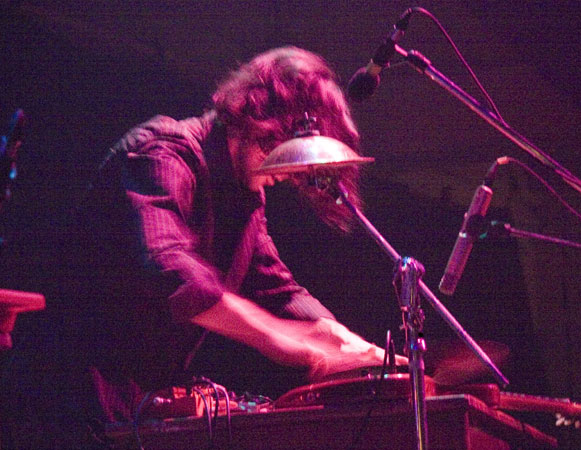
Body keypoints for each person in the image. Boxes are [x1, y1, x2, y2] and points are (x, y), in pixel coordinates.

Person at [75, 46, 390, 423]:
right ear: (256, 121)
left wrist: (353, 347)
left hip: (139, 404)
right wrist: (282, 341)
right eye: (281, 150)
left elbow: (279, 291)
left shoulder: (245, 197)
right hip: (71, 396)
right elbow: (170, 266)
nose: (288, 174)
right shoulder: (164, 152)